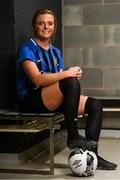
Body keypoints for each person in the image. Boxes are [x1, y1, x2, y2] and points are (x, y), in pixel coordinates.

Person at [15, 9, 117, 170]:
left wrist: (73, 73)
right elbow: (38, 79)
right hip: (31, 99)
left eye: (50, 23)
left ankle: (93, 156)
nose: (45, 27)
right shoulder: (27, 47)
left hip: (50, 98)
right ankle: (72, 134)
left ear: (54, 26)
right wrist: (67, 75)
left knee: (95, 105)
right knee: (69, 82)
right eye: (41, 23)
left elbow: (58, 77)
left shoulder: (55, 51)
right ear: (35, 26)